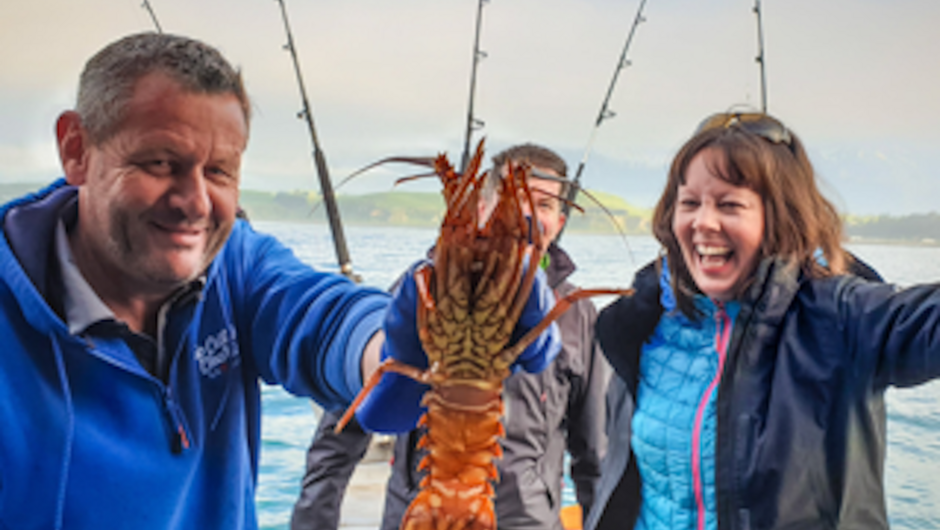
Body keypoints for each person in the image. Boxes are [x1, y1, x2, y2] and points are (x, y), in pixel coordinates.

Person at [0, 32, 560, 530]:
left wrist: (401, 340)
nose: (195, 201)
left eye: (219, 172)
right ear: (77, 148)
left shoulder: (235, 265)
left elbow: (330, 322)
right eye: (160, 163)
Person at [584, 111, 940, 530]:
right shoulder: (644, 317)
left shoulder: (840, 315)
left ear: (779, 215)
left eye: (729, 204)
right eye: (690, 203)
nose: (703, 222)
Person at [291, 144, 610, 530]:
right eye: (515, 199)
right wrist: (312, 520)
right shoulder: (418, 291)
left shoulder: (578, 316)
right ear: (480, 208)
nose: (527, 213)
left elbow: (593, 453)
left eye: (544, 205)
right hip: (423, 510)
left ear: (559, 221)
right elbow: (343, 424)